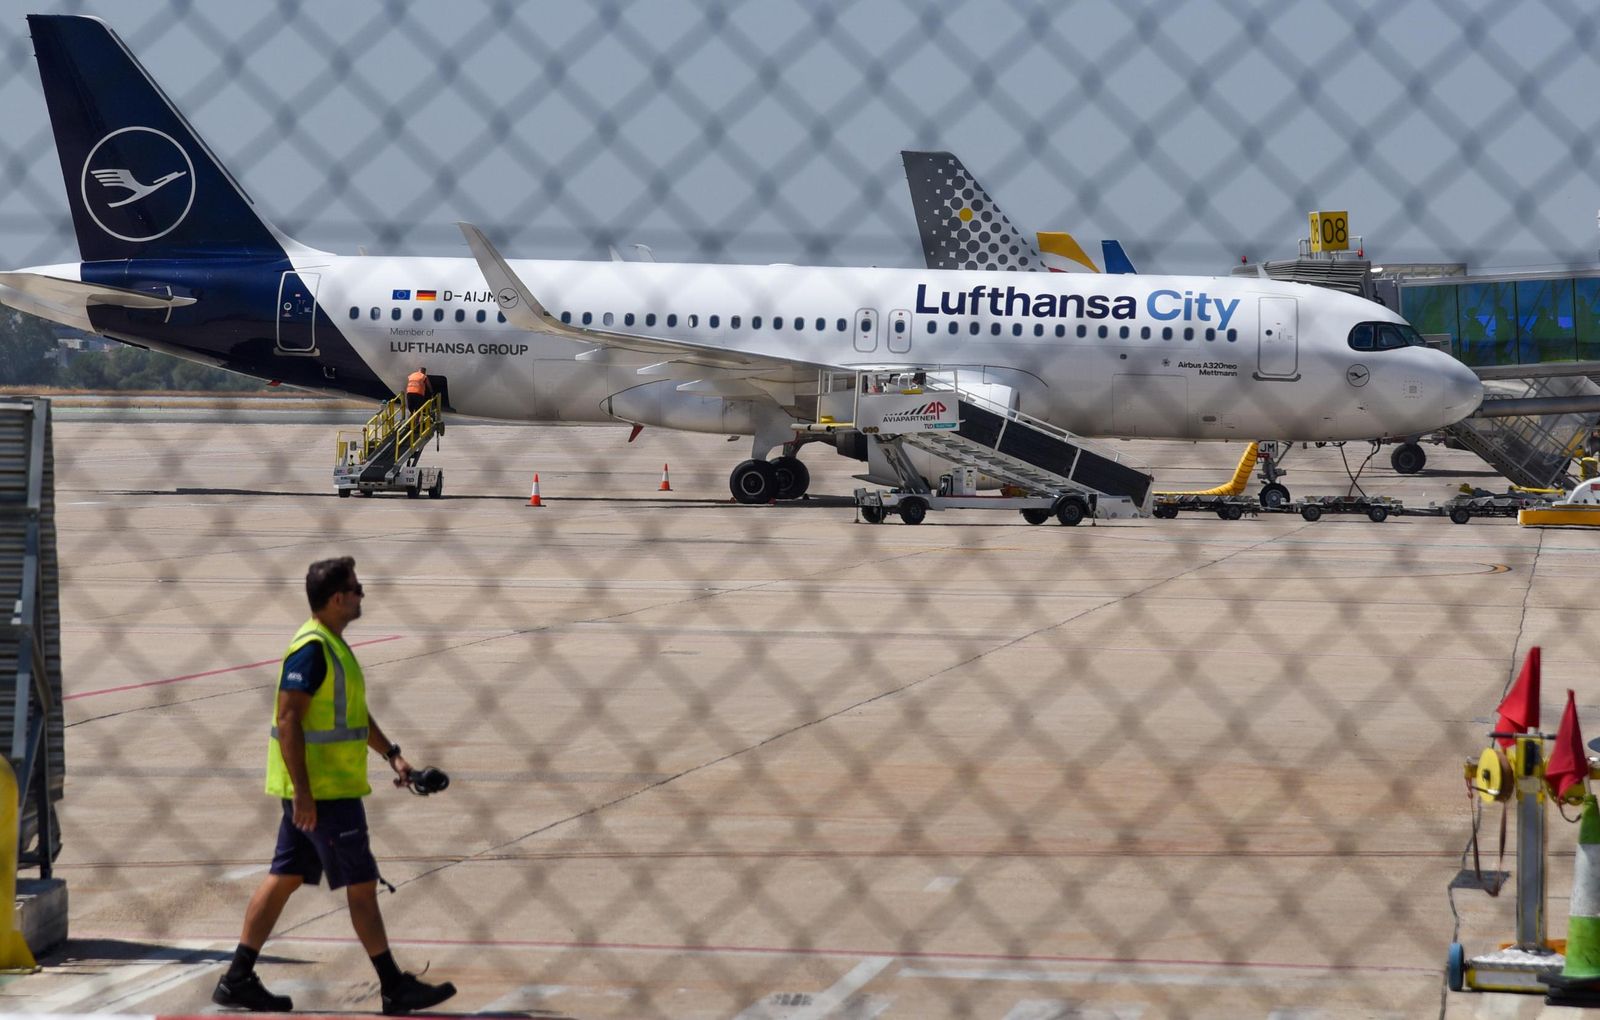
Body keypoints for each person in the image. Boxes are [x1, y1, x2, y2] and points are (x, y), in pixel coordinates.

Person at [212, 557, 455, 1015]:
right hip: (322, 795)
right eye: (356, 588)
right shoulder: (312, 649)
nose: (363, 594)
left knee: (283, 877)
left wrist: (395, 758)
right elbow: (288, 722)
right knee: (360, 884)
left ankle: (237, 978)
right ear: (338, 598)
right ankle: (393, 987)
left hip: (323, 790)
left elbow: (352, 717)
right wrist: (303, 793)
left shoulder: (333, 646)